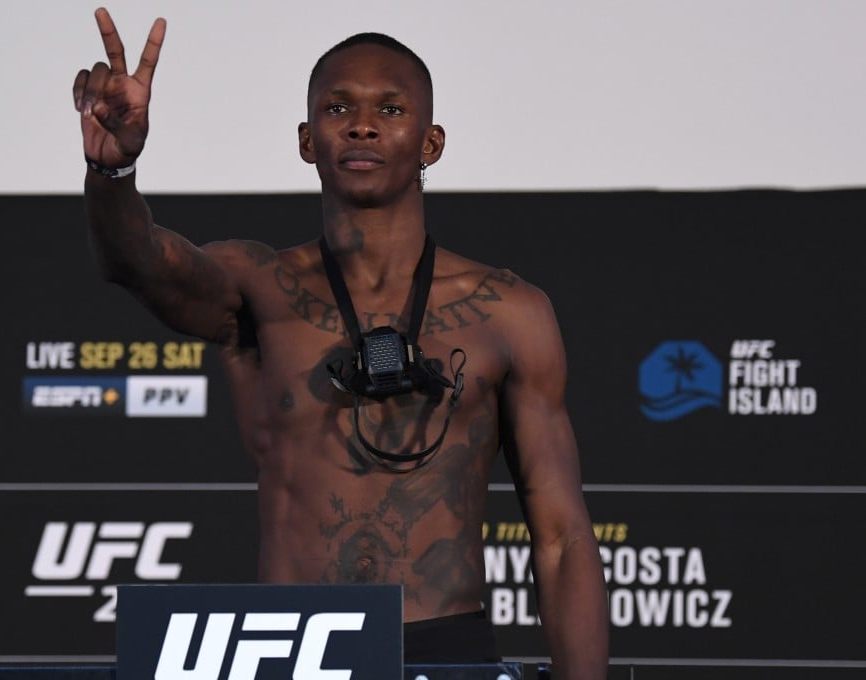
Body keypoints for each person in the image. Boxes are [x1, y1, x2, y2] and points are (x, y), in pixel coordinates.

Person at [73, 7, 608, 677]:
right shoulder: (257, 287)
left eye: (390, 108)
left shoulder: (510, 313)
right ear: (306, 140)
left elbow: (560, 537)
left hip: (446, 647)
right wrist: (113, 173)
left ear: (431, 142)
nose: (362, 124)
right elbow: (139, 262)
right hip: (290, 647)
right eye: (337, 107)